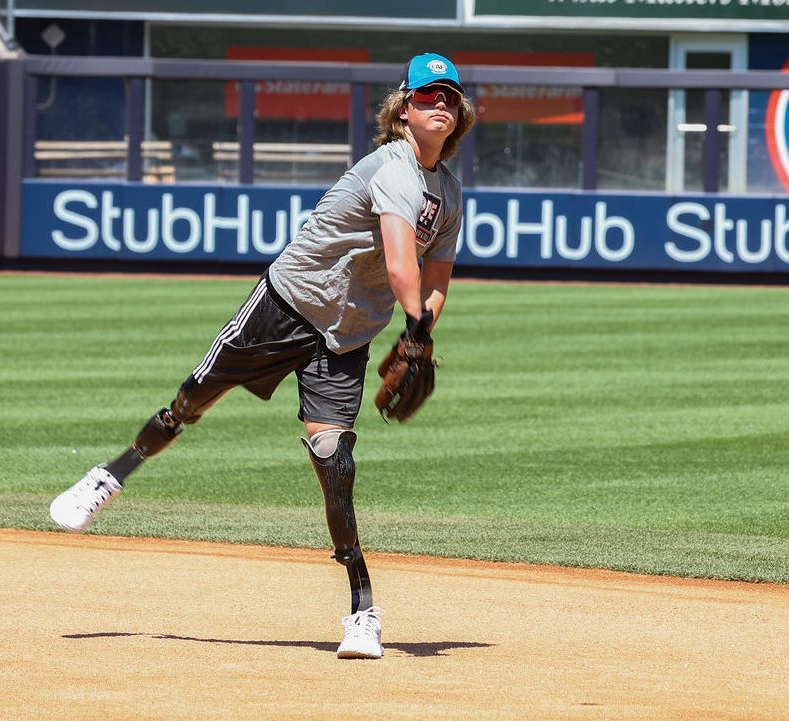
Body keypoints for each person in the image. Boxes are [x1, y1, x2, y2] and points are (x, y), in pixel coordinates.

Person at [49, 52, 476, 660]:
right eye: (428, 95)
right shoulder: (394, 168)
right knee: (192, 399)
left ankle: (363, 610)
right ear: (403, 110)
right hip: (287, 305)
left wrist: (420, 333)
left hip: (346, 334)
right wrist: (416, 329)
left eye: (450, 97)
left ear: (459, 116)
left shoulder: (450, 193)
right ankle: (109, 476)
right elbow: (402, 261)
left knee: (335, 461)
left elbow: (436, 279)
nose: (440, 103)